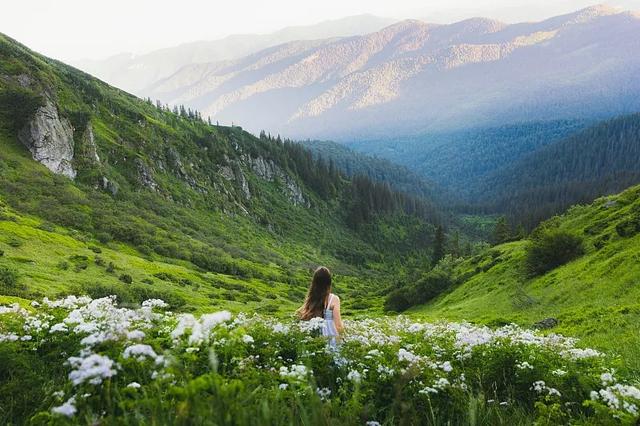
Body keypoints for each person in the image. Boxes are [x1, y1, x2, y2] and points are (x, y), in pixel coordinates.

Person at [296, 266, 344, 347]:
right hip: (330, 338)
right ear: (329, 282)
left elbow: (301, 314)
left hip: (315, 339)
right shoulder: (334, 299)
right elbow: (338, 325)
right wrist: (342, 338)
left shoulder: (311, 299)